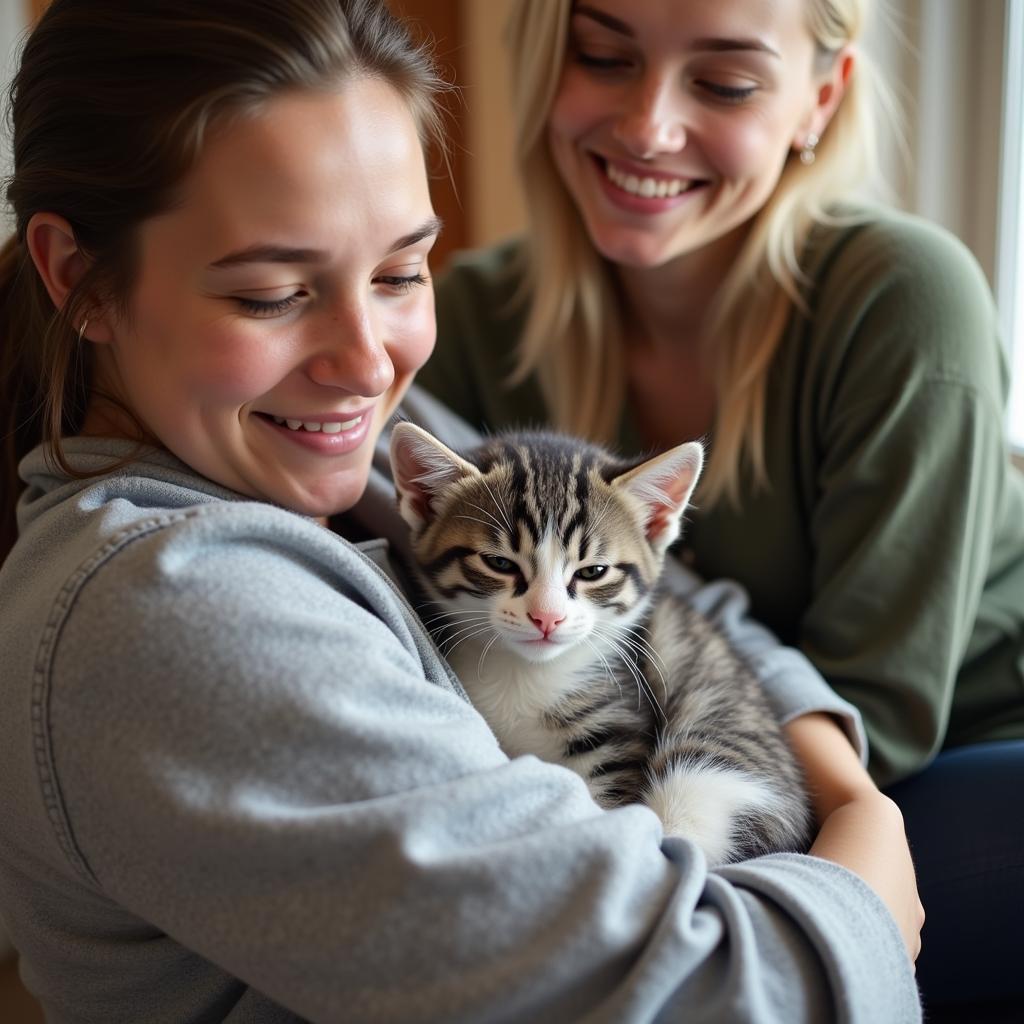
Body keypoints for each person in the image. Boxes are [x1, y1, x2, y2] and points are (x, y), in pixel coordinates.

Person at [0, 1, 924, 1021]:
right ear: (79, 278)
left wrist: (852, 798)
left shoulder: (330, 435)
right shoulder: (170, 612)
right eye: (270, 293)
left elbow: (684, 607)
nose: (368, 361)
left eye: (402, 272)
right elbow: (713, 997)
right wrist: (863, 891)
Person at [418, 0, 1024, 1014]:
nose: (649, 125)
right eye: (603, 56)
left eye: (725, 81)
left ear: (817, 100)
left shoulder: (905, 296)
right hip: (667, 752)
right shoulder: (474, 314)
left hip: (937, 750)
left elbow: (883, 713)